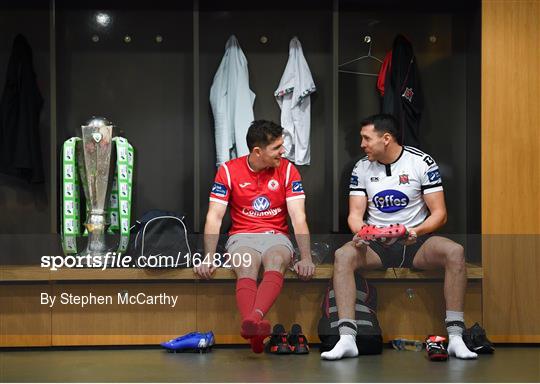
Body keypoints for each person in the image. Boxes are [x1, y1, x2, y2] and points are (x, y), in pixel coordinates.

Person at [321, 114, 477, 361]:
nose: (361, 144)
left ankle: (456, 337)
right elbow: (354, 215)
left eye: (366, 138)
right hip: (376, 245)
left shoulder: (421, 162)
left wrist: (416, 232)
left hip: (417, 241)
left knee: (455, 251)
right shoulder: (361, 167)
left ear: (386, 138)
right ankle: (347, 338)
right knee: (343, 255)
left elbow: (439, 213)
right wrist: (361, 233)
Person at [195, 120, 315, 353]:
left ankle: (252, 322)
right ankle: (256, 329)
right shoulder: (228, 170)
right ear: (257, 151)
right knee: (247, 264)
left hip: (276, 236)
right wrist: (208, 257)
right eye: (277, 147)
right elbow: (214, 217)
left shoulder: (288, 170)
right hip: (242, 236)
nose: (283, 151)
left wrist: (307, 257)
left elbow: (298, 217)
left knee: (276, 260)